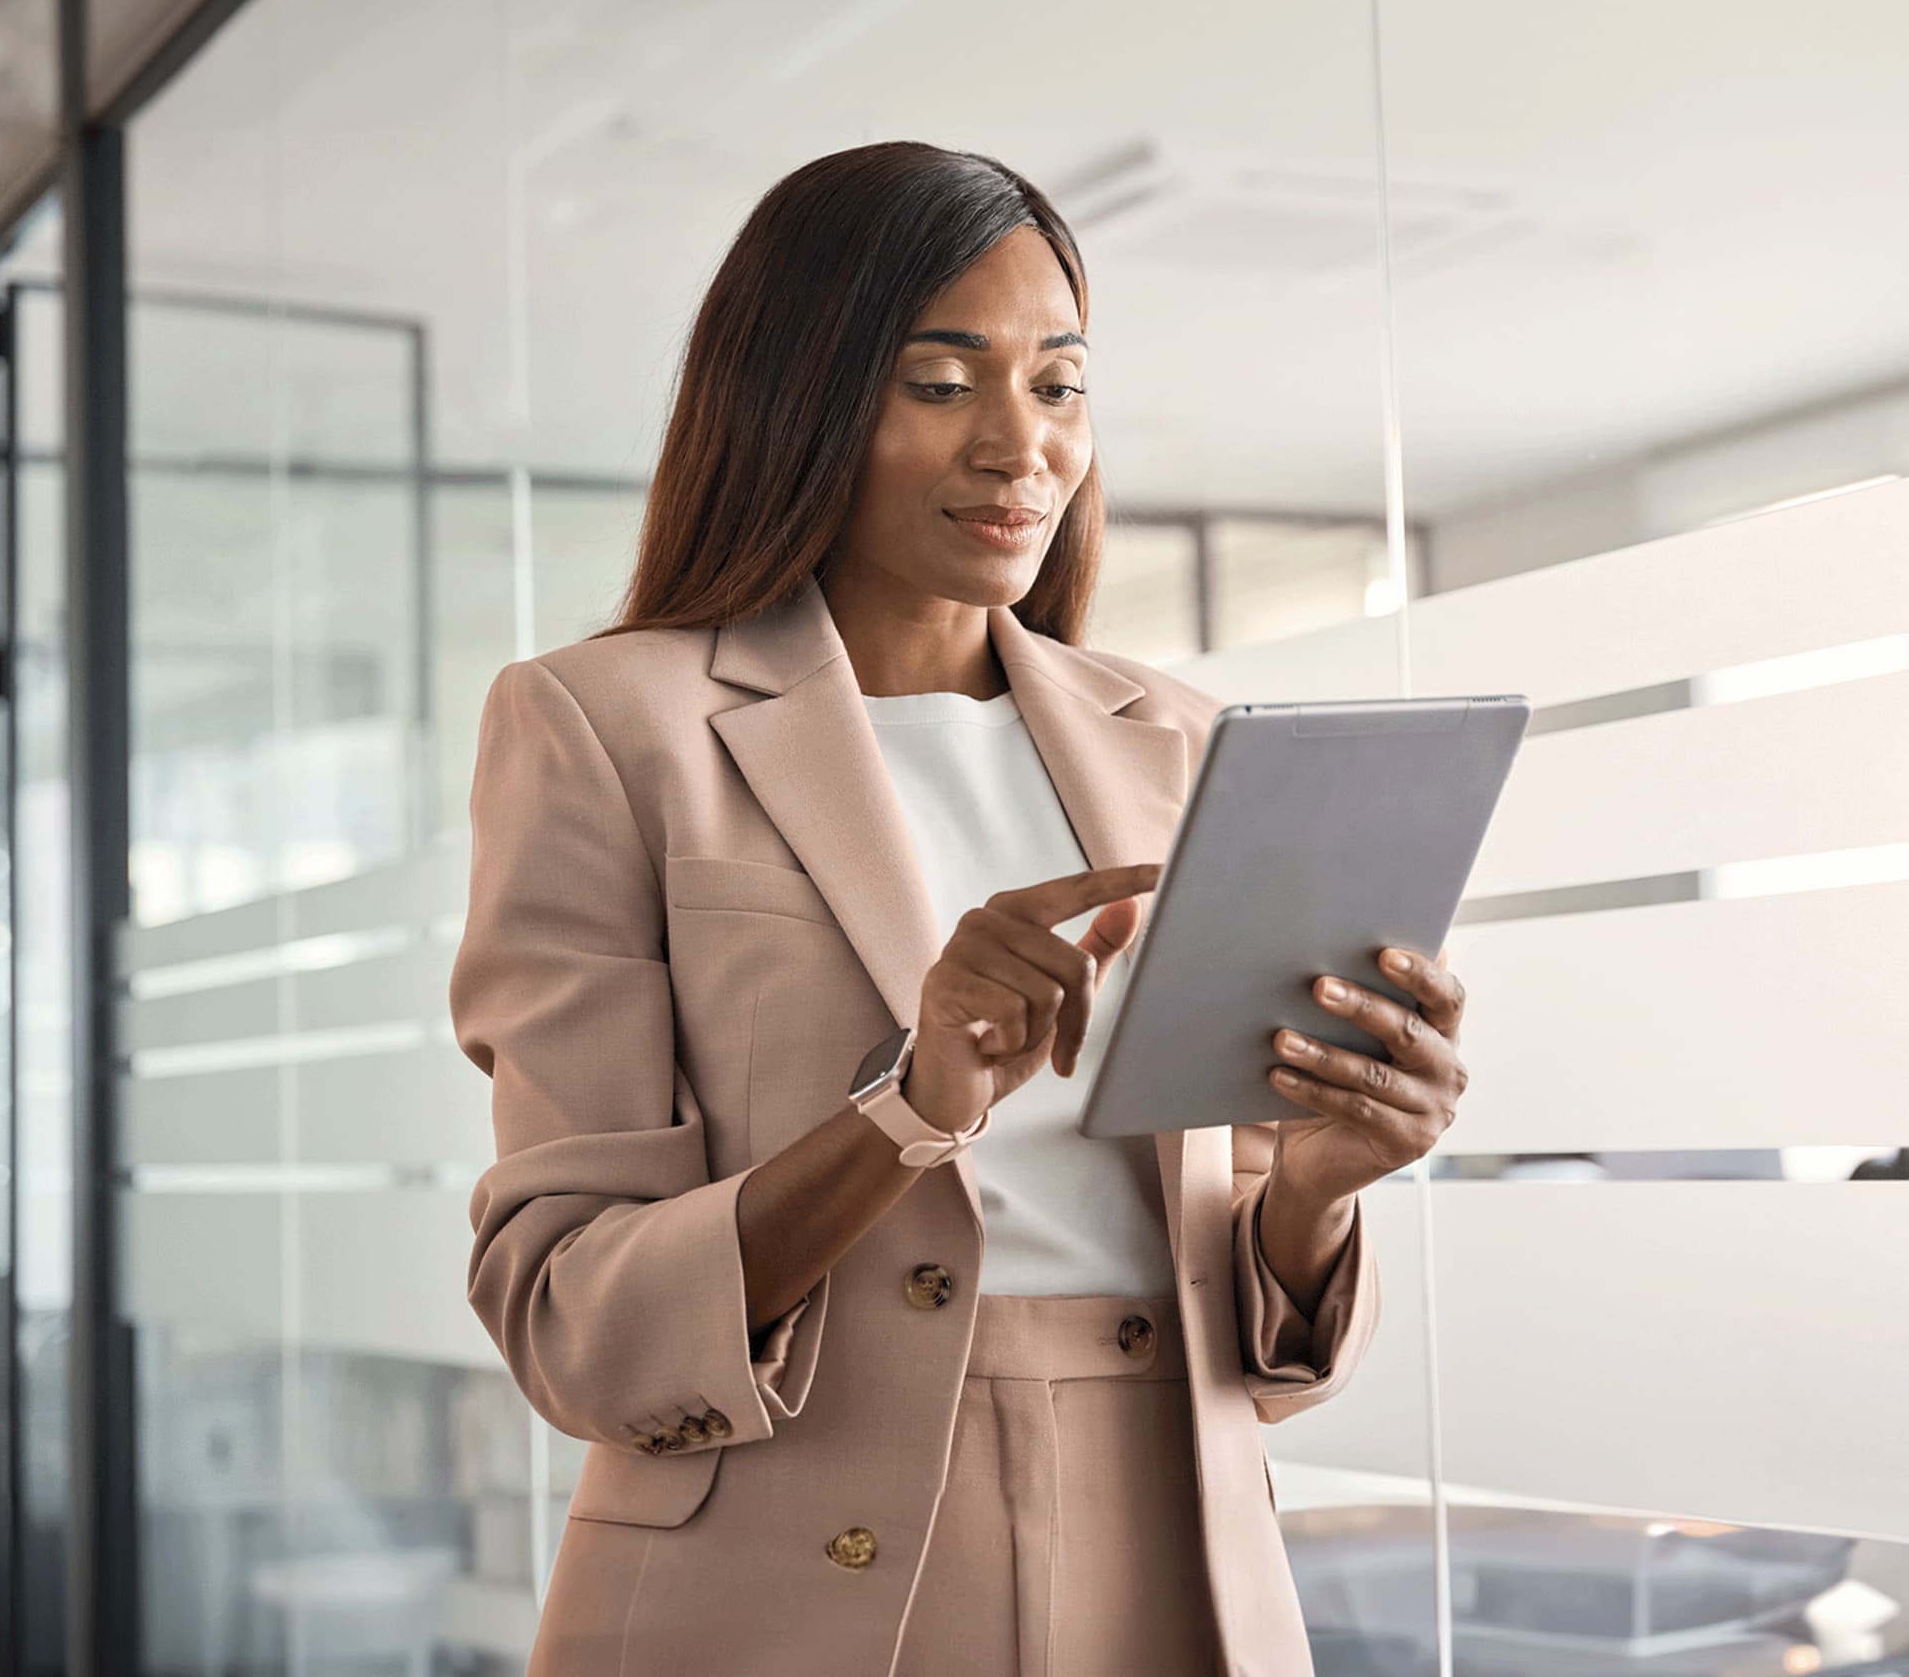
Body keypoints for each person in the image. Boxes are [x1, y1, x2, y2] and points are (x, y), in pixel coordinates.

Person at [450, 141, 1470, 1676]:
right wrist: (911, 1108)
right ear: (800, 399)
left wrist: (1321, 1190)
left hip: (1179, 1553)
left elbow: (1267, 1352)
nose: (1021, 447)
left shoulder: (1184, 743)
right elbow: (570, 1315)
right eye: (941, 383)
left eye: (1058, 386)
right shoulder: (605, 725)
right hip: (780, 1573)